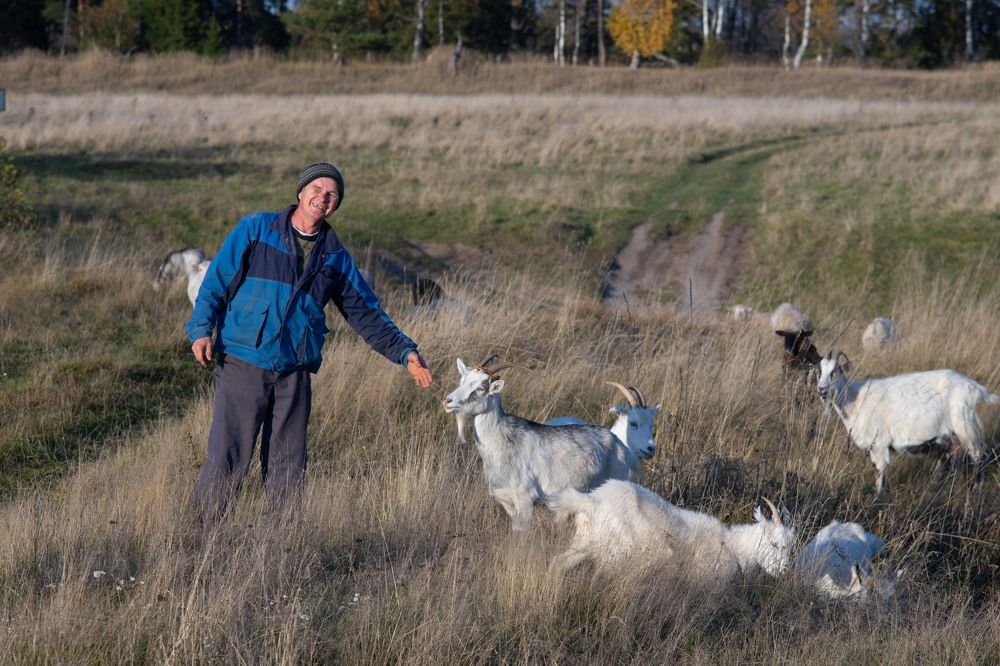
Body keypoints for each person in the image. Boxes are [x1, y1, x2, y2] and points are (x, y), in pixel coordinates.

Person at [186, 162, 433, 520]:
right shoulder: (255, 230)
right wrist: (200, 331)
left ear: (336, 205)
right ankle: (200, 540)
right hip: (243, 362)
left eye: (332, 194)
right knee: (227, 456)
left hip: (294, 373)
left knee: (288, 468)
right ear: (301, 192)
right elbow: (216, 283)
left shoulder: (334, 258)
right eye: (317, 188)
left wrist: (405, 352)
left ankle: (281, 548)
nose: (323, 197)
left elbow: (366, 313)